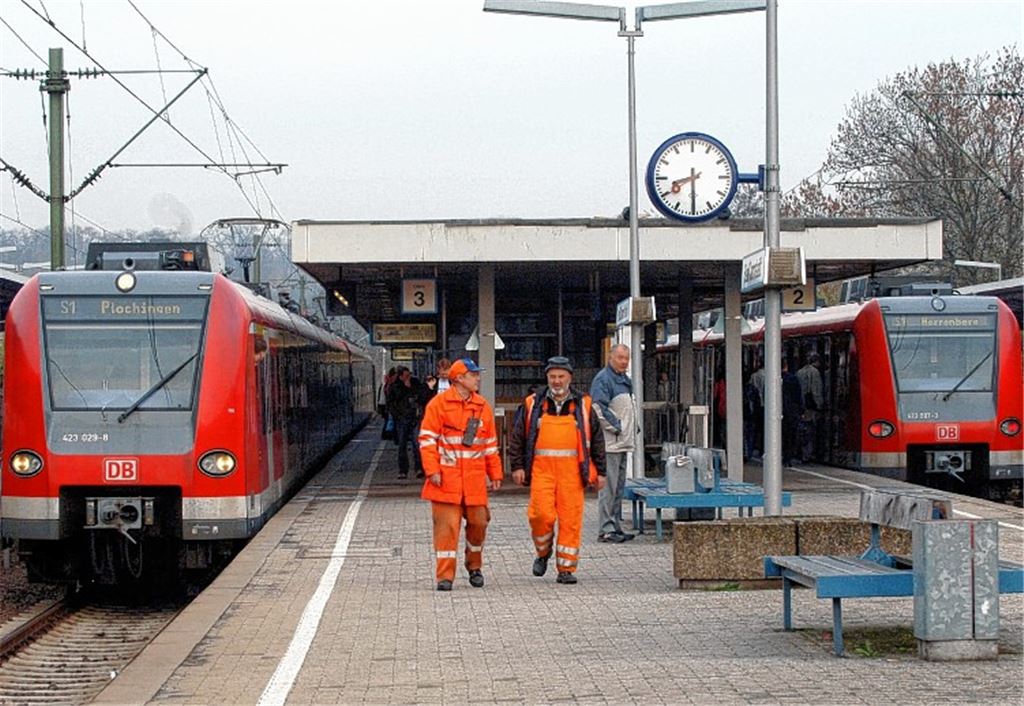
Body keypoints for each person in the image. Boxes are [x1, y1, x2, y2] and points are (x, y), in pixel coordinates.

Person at [509, 356, 606, 584]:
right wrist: (517, 466)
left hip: (572, 474)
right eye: (552, 376)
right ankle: (543, 552)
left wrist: (601, 471)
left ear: (570, 378)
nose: (556, 381)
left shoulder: (584, 404)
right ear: (547, 377)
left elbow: (597, 439)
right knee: (540, 515)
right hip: (542, 472)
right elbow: (517, 437)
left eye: (561, 376)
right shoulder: (533, 404)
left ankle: (566, 569)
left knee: (571, 521)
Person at [418, 358, 504, 590]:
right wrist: (432, 470)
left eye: (477, 374)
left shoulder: (482, 406)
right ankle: (445, 577)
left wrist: (495, 473)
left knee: (479, 523)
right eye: (473, 375)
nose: (477, 378)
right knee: (446, 529)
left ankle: (474, 565)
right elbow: (427, 440)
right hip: (446, 480)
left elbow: (489, 444)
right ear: (459, 379)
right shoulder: (438, 405)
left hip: (474, 481)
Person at [589, 343, 637, 543]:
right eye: (620, 358)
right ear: (611, 357)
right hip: (611, 443)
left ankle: (615, 525)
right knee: (608, 488)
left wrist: (632, 429)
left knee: (618, 487)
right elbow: (597, 408)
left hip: (623, 442)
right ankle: (606, 529)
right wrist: (618, 427)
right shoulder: (603, 379)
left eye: (626, 358)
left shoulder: (625, 380)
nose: (624, 362)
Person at [387, 366, 425, 478]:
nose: (409, 377)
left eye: (409, 375)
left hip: (415, 418)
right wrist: (397, 416)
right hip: (402, 419)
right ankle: (403, 470)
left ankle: (419, 468)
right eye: (406, 376)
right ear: (401, 376)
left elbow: (421, 397)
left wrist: (410, 387)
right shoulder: (395, 387)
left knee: (416, 444)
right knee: (402, 445)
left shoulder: (416, 384)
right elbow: (391, 403)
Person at [797, 352, 825, 462]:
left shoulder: (799, 372)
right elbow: (816, 390)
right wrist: (820, 405)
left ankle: (802, 452)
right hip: (811, 407)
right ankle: (807, 454)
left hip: (801, 406)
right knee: (810, 430)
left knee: (803, 429)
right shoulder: (815, 373)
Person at [781, 358, 803, 466]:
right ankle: (788, 458)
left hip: (778, 411)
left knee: (782, 435)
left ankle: (783, 456)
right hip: (791, 411)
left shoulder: (772, 379)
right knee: (790, 435)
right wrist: (801, 410)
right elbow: (798, 396)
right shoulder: (793, 379)